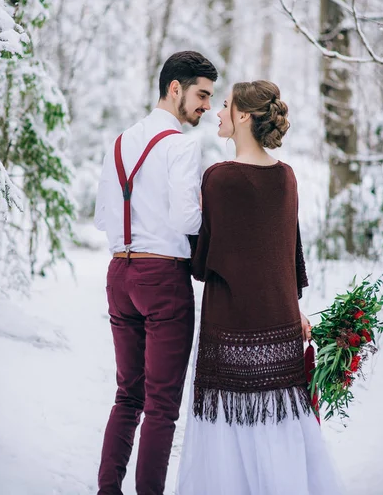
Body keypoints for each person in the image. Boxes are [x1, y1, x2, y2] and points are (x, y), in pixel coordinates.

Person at [176, 80, 343, 495]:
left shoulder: (219, 178)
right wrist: (295, 308)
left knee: (230, 431)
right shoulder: (286, 177)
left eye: (227, 105)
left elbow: (203, 263)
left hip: (231, 325)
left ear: (244, 116)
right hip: (280, 324)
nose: (218, 111)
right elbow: (290, 256)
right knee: (279, 428)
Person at [94, 51, 218, 495]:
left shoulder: (119, 141)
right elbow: (187, 222)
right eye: (202, 94)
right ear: (175, 88)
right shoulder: (182, 145)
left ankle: (107, 490)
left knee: (127, 395)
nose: (206, 105)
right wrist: (212, 214)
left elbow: (102, 217)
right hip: (162, 280)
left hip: (119, 275)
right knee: (162, 406)